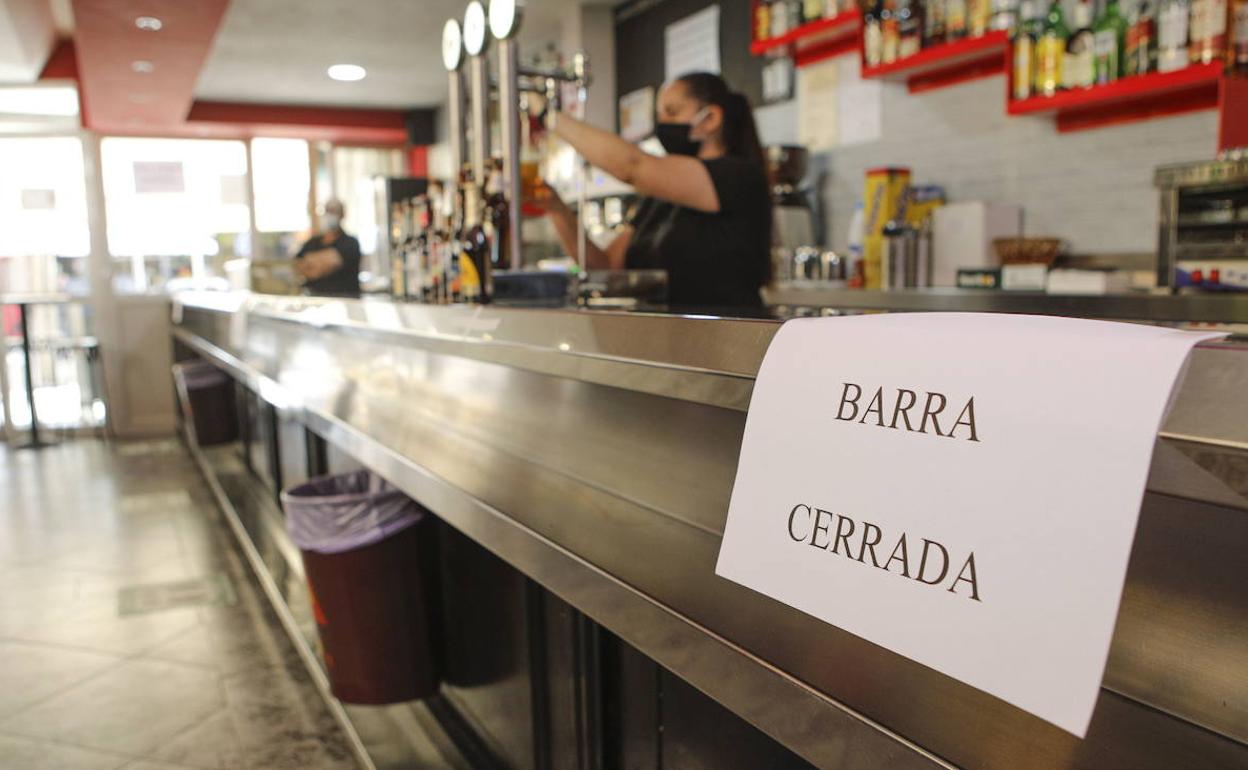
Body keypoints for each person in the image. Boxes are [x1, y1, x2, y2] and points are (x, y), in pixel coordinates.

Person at [539, 71, 772, 311]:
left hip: (728, 339)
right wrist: (556, 208)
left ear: (711, 118)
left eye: (671, 112)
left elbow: (632, 166)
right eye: (659, 114)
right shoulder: (659, 198)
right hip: (669, 340)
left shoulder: (739, 176)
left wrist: (549, 116)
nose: (662, 123)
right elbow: (605, 266)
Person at [294, 199, 361, 298]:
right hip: (316, 300)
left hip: (345, 300)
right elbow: (297, 265)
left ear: (343, 214)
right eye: (328, 211)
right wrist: (323, 262)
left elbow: (331, 263)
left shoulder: (350, 243)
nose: (331, 215)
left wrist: (311, 262)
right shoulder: (312, 242)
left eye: (334, 211)